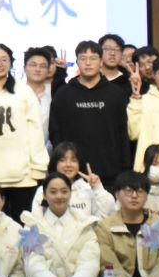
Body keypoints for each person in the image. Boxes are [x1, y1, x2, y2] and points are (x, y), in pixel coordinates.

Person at [0, 48, 49, 219]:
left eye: (4, 60)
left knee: (23, 226)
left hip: (24, 177)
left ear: (11, 63)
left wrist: (38, 169)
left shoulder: (24, 91)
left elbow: (35, 131)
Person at [50, 41, 131, 182]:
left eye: (93, 58)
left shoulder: (116, 93)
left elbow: (123, 133)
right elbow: (55, 131)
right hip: (72, 174)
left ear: (101, 62)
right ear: (77, 62)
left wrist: (125, 169)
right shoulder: (63, 94)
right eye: (83, 58)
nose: (88, 63)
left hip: (110, 173)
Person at [22, 172, 100, 277]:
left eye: (64, 191)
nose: (59, 196)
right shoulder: (32, 225)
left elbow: (90, 259)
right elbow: (33, 262)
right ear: (44, 195)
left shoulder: (85, 224)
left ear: (70, 194)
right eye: (53, 192)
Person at [96, 171, 159, 277]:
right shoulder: (105, 227)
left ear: (147, 196)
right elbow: (107, 263)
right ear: (117, 194)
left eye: (140, 191)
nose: (134, 196)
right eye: (128, 191)